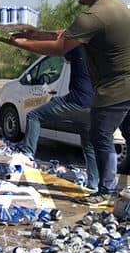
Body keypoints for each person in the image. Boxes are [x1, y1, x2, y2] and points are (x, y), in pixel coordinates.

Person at [1, 0, 130, 207]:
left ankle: (106, 189)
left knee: (99, 136)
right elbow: (66, 34)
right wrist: (36, 34)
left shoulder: (93, 15)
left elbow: (60, 46)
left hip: (119, 88)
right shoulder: (116, 6)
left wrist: (22, 44)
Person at [13, 46, 99, 192]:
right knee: (89, 146)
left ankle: (27, 154)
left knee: (34, 116)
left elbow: (60, 53)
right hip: (93, 107)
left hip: (75, 101)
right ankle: (94, 184)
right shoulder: (100, 52)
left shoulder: (78, 47)